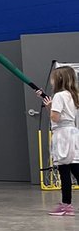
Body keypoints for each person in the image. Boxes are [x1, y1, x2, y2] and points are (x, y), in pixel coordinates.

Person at [47, 65, 79, 216]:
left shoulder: (59, 96)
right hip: (72, 133)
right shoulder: (73, 95)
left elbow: (56, 118)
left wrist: (50, 108)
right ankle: (66, 204)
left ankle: (66, 204)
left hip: (63, 135)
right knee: (74, 167)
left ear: (59, 79)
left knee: (64, 170)